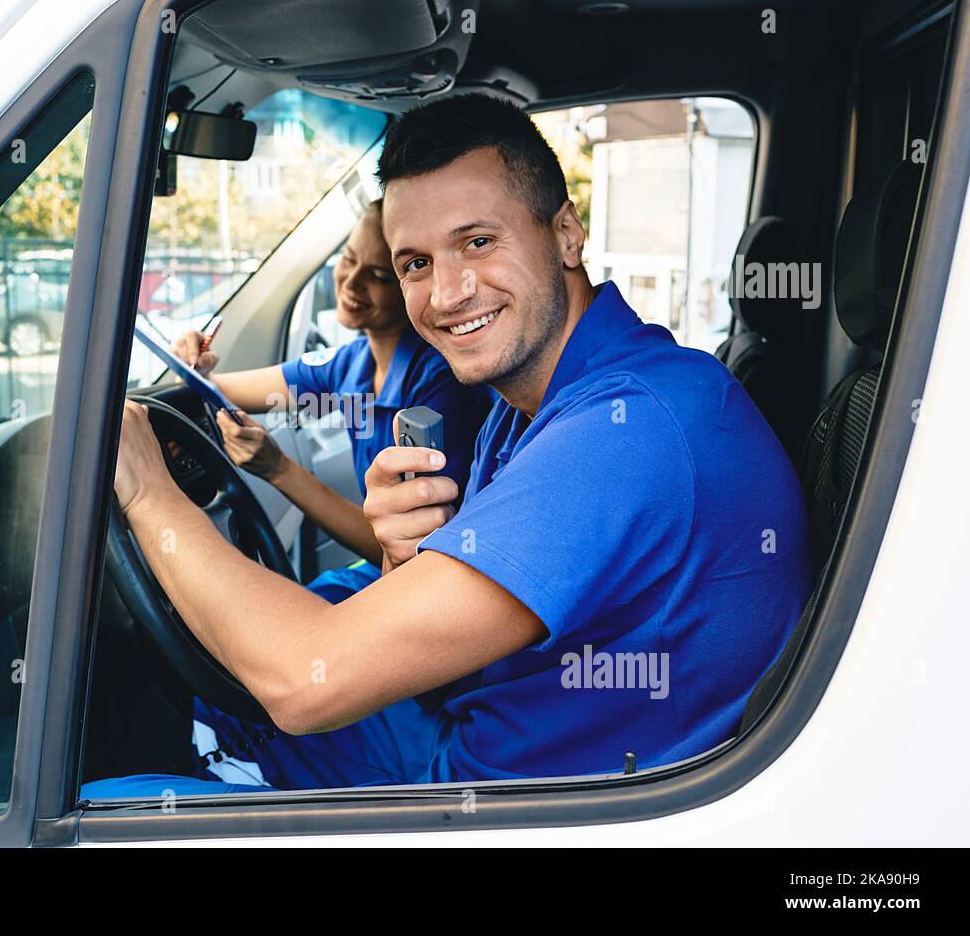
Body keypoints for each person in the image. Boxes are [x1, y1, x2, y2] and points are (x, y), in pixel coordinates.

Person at [86, 93, 810, 798]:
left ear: (566, 232)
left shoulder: (629, 430)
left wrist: (150, 496)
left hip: (507, 808)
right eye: (415, 264)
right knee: (207, 703)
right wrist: (405, 559)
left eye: (478, 241)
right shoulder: (528, 404)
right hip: (476, 742)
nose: (448, 293)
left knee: (115, 799)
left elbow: (307, 681)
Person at [169, 199, 492, 604]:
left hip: (421, 586)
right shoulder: (349, 364)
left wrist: (279, 470)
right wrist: (192, 362)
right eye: (349, 259)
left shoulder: (442, 386)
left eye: (377, 275)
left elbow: (411, 552)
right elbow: (223, 390)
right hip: (378, 571)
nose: (351, 284)